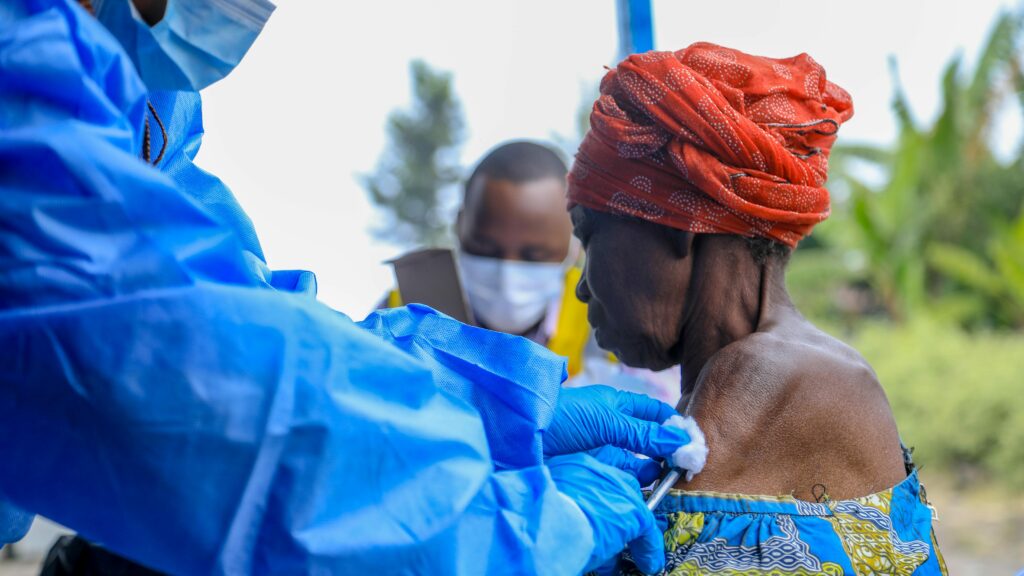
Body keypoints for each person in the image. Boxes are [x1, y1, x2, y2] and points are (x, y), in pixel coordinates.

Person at [0, 1, 701, 574]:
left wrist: (500, 407)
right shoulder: (21, 81)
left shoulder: (137, 110)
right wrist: (527, 529)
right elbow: (210, 388)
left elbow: (241, 316)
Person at [565, 44, 948, 574]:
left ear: (676, 228)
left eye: (589, 237)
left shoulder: (760, 378)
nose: (583, 288)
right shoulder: (809, 366)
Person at [387, 141, 680, 404]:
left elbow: (668, 405)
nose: (507, 275)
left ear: (574, 241)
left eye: (534, 256)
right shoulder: (404, 309)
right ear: (460, 226)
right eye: (486, 249)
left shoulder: (613, 316)